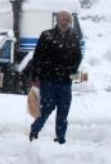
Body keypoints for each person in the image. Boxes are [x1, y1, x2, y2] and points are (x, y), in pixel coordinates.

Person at [27, 10, 83, 145]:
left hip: (65, 81)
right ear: (57, 20)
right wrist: (36, 76)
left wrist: (72, 70)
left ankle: (61, 138)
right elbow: (38, 56)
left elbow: (78, 56)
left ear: (70, 21)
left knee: (63, 112)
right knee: (46, 109)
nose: (64, 20)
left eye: (67, 18)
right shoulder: (47, 35)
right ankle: (35, 130)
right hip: (49, 80)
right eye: (62, 18)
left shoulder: (74, 36)